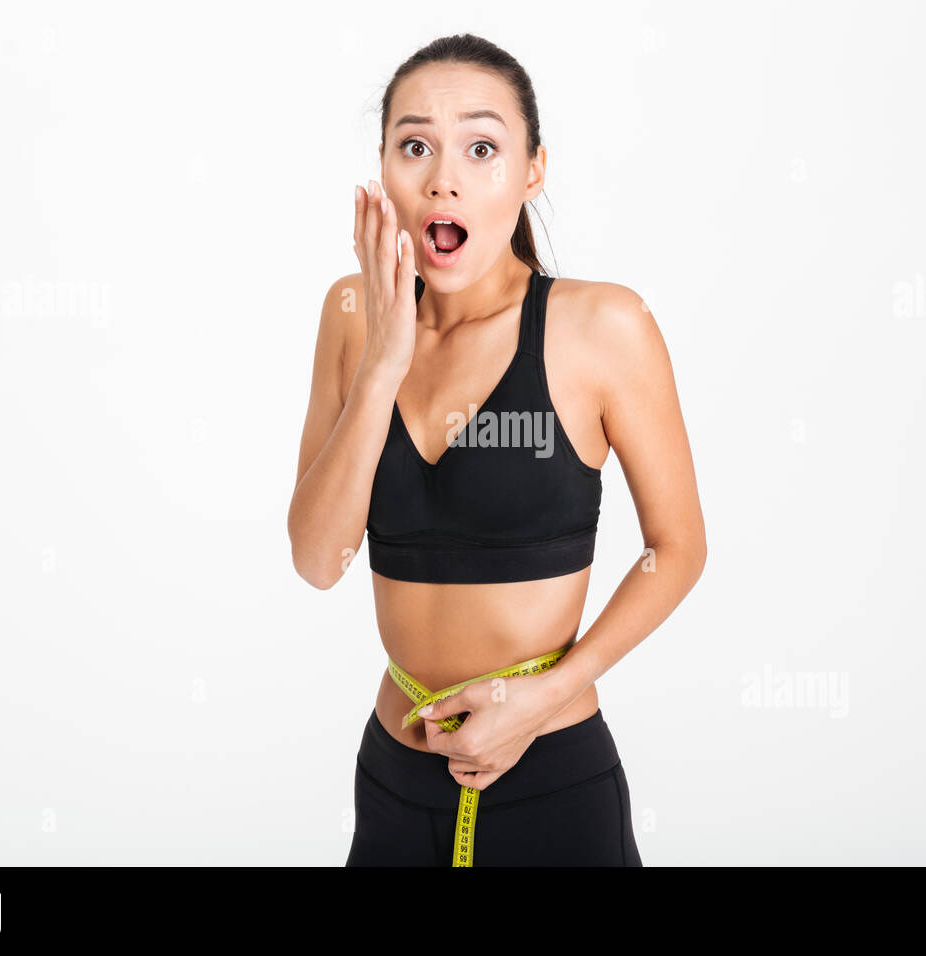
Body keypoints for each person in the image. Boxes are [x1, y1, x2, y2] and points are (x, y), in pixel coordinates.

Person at [288, 33, 706, 866]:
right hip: (395, 779)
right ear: (382, 166)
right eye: (415, 146)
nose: (444, 177)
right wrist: (382, 367)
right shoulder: (351, 315)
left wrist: (541, 699)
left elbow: (679, 548)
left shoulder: (602, 327)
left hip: (552, 774)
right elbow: (317, 558)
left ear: (532, 172)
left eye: (482, 148)